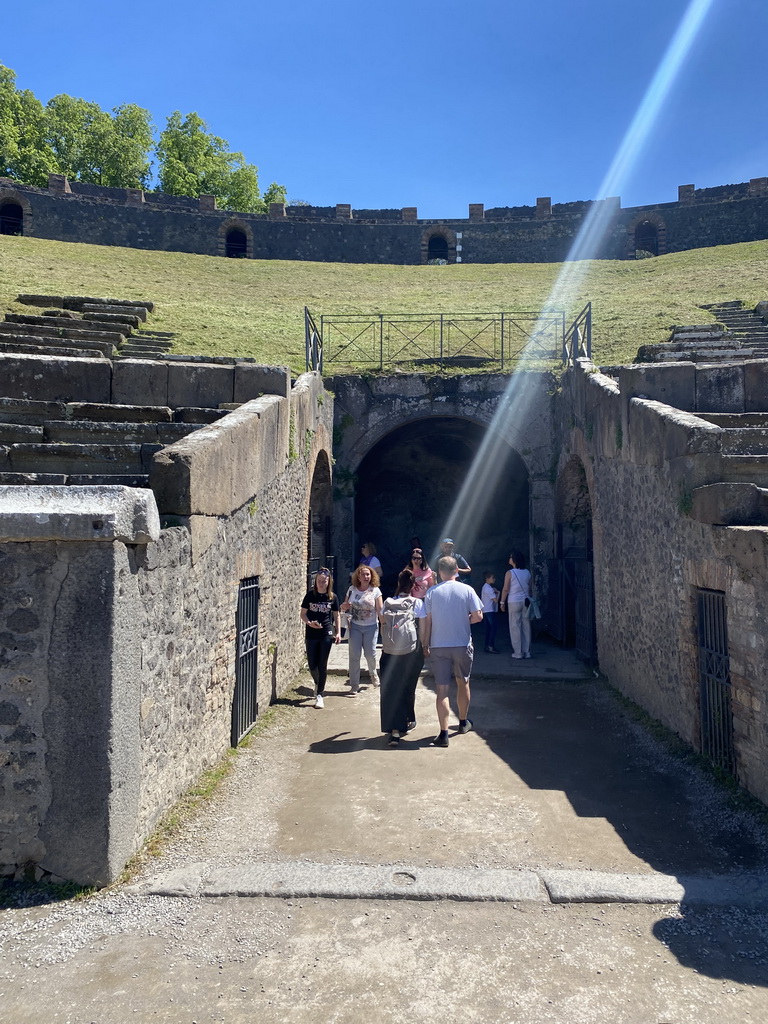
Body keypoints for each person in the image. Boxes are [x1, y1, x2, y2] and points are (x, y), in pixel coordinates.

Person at [421, 555, 483, 747]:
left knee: (442, 689)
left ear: (439, 572)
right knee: (463, 682)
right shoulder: (467, 590)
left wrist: (425, 644)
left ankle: (443, 732)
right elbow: (478, 616)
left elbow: (428, 621)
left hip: (439, 645)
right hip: (462, 643)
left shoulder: (431, 592)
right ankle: (463, 722)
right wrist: (465, 621)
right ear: (457, 570)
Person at [378, 568, 426, 746]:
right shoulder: (417, 603)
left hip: (390, 651)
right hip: (411, 651)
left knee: (391, 688)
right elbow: (424, 627)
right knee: (408, 687)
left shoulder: (388, 602)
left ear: (399, 584)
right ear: (413, 585)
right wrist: (425, 647)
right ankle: (408, 719)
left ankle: (394, 730)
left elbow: (382, 622)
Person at [300, 567, 341, 709]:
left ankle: (320, 695)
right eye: (319, 581)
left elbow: (336, 615)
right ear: (315, 581)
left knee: (322, 663)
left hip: (326, 632)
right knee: (312, 665)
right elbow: (303, 614)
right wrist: (309, 623)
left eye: (324, 581)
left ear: (328, 582)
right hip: (311, 633)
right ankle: (317, 683)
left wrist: (338, 632)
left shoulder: (332, 597)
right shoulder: (310, 596)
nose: (321, 583)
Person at [340, 564, 383, 694]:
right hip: (355, 626)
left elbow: (380, 610)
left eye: (368, 574)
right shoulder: (352, 590)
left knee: (370, 654)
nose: (366, 577)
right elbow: (343, 607)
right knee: (354, 655)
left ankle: (373, 673)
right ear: (358, 576)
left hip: (371, 627)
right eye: (363, 574)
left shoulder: (375, 591)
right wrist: (344, 606)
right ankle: (354, 684)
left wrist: (385, 627)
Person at [500, 551, 533, 660]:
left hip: (513, 601)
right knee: (526, 626)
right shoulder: (527, 572)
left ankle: (518, 652)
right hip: (525, 601)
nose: (509, 559)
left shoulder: (510, 573)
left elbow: (505, 589)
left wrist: (502, 602)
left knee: (515, 626)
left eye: (511, 557)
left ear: (514, 560)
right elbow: (529, 588)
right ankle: (527, 651)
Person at [480, 571, 500, 653]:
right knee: (493, 628)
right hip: (489, 611)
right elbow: (496, 600)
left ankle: (487, 646)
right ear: (487, 579)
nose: (494, 579)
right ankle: (490, 646)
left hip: (485, 610)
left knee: (488, 629)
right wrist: (498, 593)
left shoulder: (485, 587)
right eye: (492, 578)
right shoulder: (489, 589)